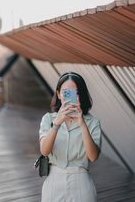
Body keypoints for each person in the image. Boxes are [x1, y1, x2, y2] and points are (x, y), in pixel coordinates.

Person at [39, 71, 102, 202]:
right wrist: (57, 123)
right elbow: (44, 151)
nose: (70, 97)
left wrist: (82, 123)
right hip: (54, 179)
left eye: (76, 93)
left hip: (81, 180)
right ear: (59, 94)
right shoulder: (48, 119)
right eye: (66, 92)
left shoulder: (93, 122)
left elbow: (93, 157)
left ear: (81, 95)